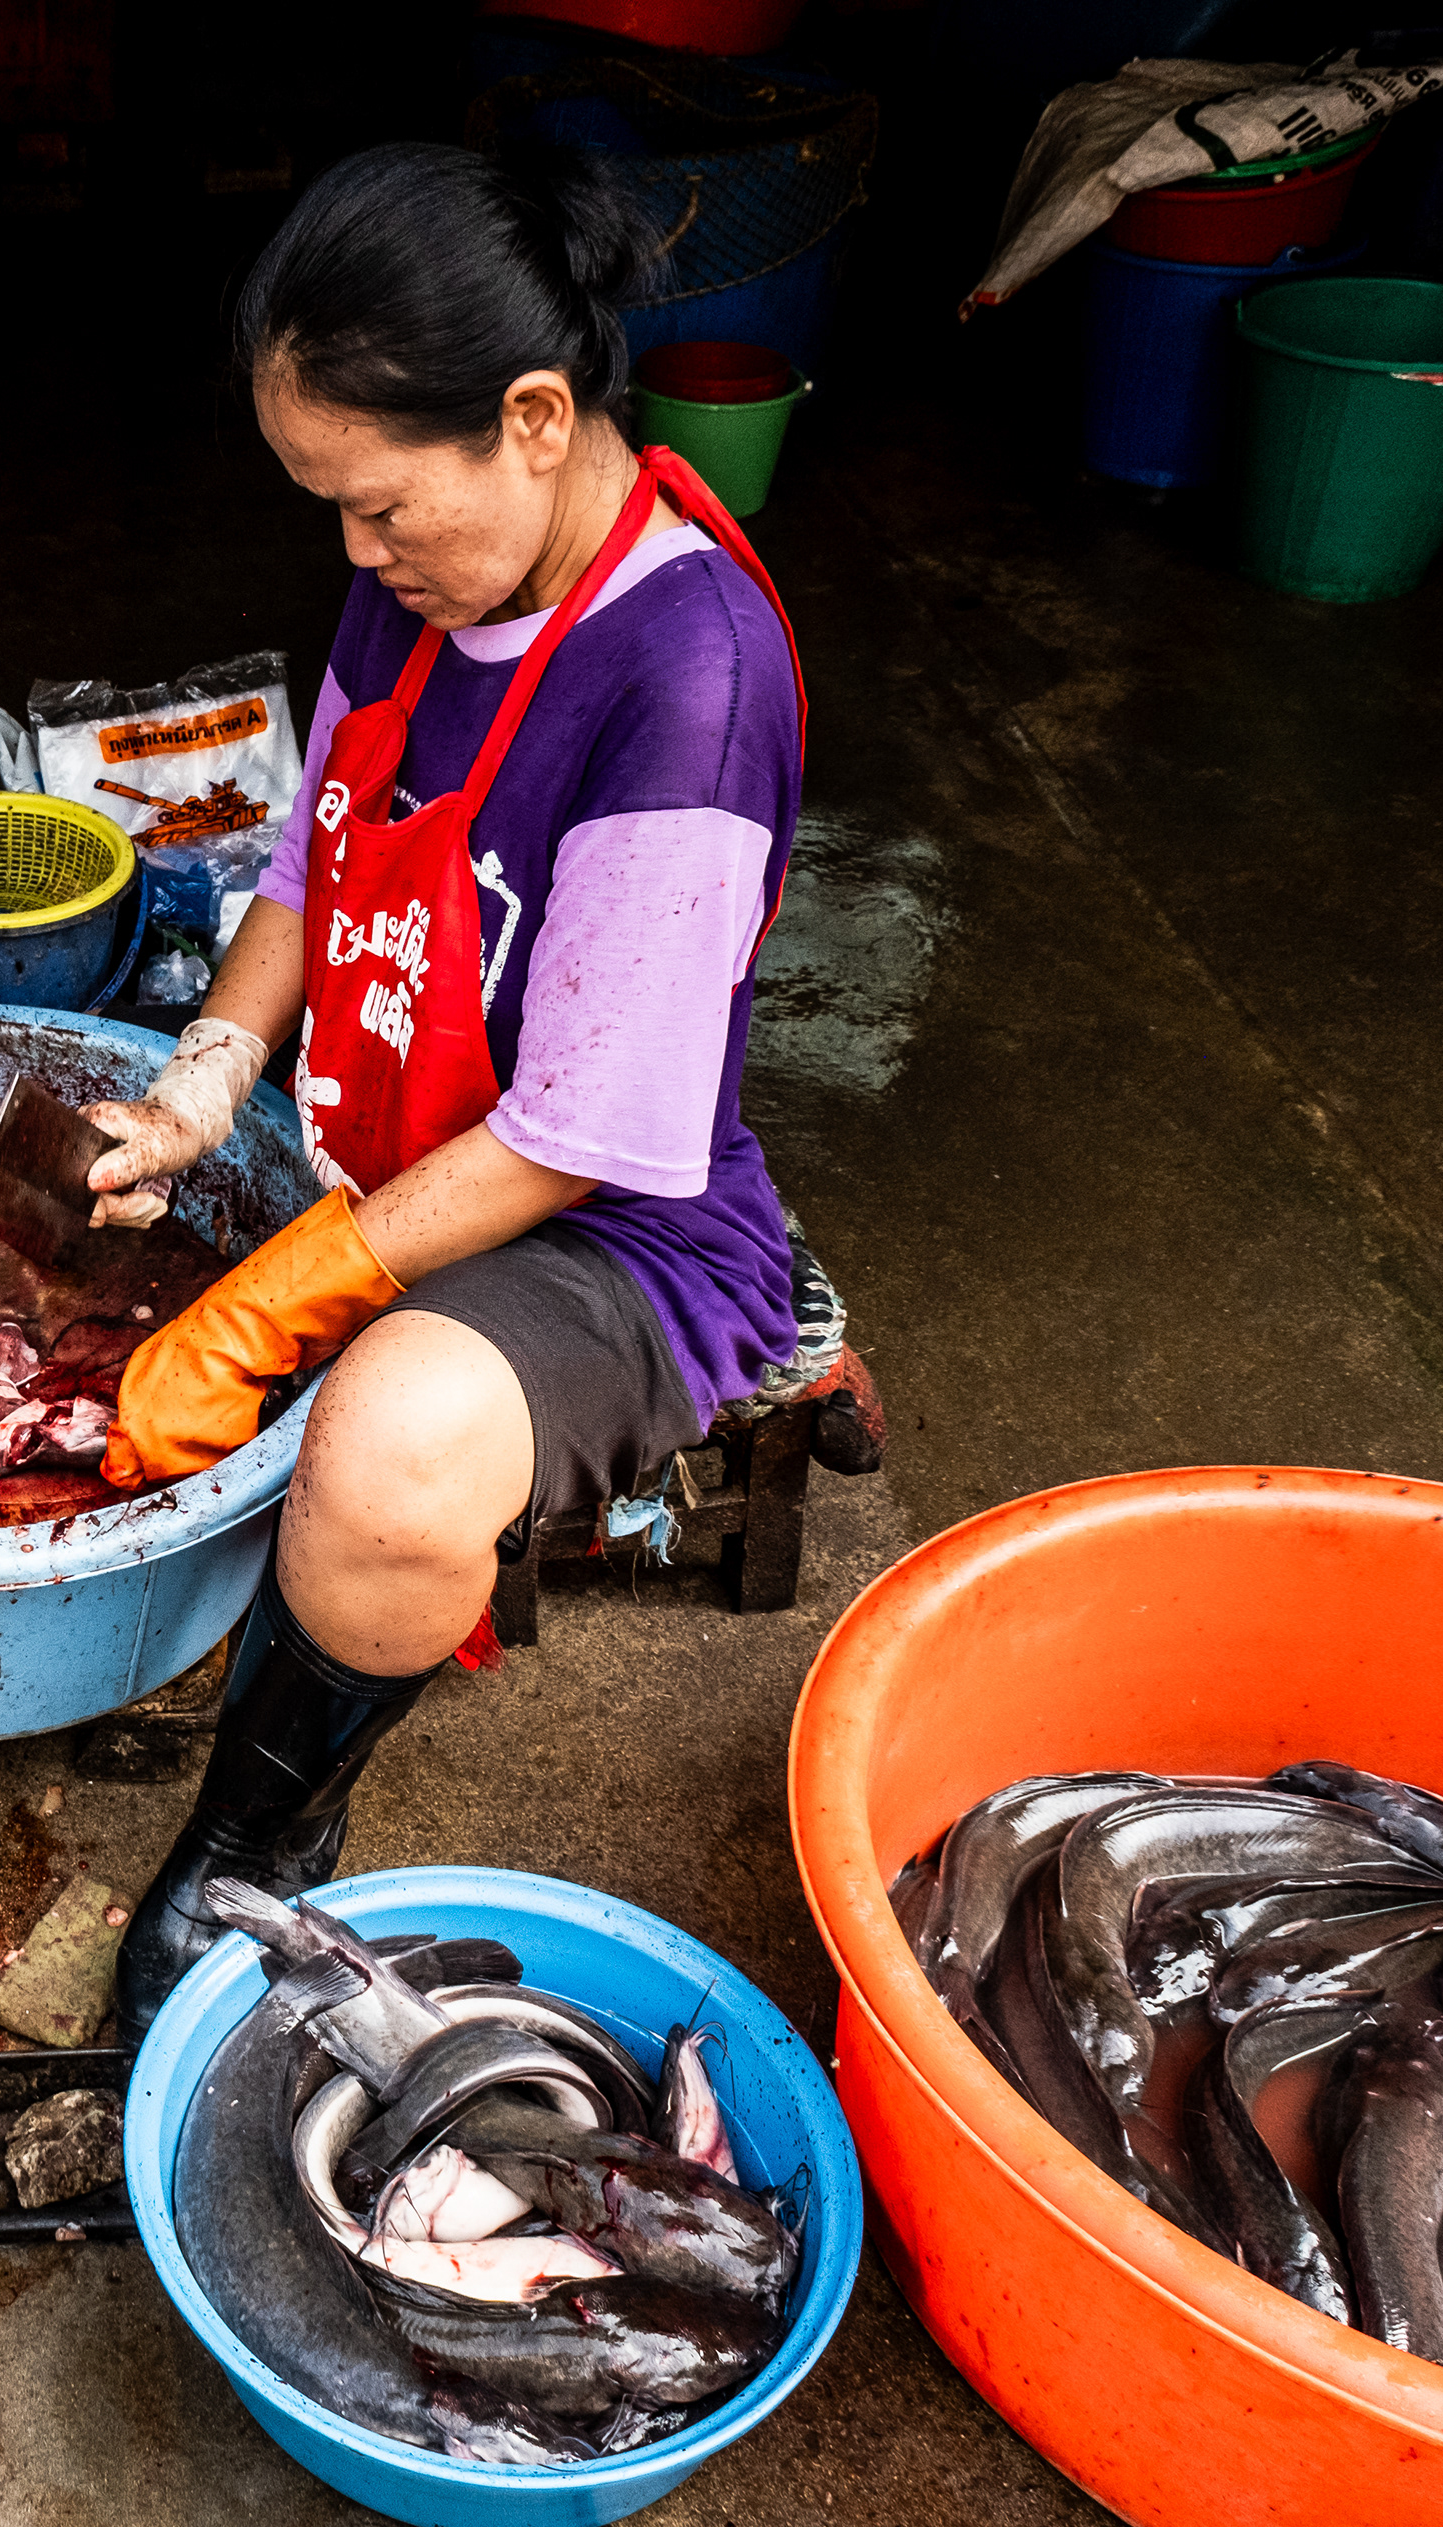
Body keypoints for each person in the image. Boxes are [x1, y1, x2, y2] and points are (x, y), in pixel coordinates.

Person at [83, 138, 877, 2037]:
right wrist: (205, 1080)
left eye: (373, 509)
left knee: (387, 1455)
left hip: (604, 1210)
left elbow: (573, 1131)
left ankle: (255, 1851)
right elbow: (314, 854)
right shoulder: (430, 579)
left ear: (534, 419)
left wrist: (271, 1298)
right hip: (387, 1114)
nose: (351, 558)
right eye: (324, 511)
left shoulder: (690, 681)